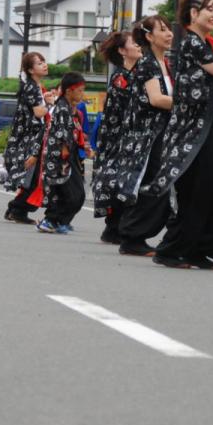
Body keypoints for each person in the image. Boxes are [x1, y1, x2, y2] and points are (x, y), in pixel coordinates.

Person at [142, 0, 213, 270]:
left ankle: (198, 249)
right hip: (193, 130)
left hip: (212, 124)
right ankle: (171, 249)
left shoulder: (208, 43)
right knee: (196, 190)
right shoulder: (191, 42)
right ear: (193, 13)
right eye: (209, 10)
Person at [116, 16, 176, 257]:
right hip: (149, 136)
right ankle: (131, 237)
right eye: (163, 30)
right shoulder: (148, 63)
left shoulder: (165, 63)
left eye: (170, 29)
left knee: (158, 185)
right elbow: (156, 99)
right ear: (149, 37)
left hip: (161, 133)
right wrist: (188, 104)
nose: (170, 33)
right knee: (150, 185)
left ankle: (135, 235)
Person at [92, 31, 142, 242]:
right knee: (118, 182)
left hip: (133, 138)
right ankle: (114, 228)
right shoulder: (120, 78)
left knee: (126, 183)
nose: (139, 45)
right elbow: (119, 115)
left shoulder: (139, 74)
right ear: (122, 51)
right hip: (118, 139)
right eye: (134, 43)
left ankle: (117, 228)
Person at [37, 72, 91, 235]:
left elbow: (75, 132)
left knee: (76, 193)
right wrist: (65, 151)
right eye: (79, 90)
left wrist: (84, 146)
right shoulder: (61, 108)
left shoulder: (71, 109)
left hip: (69, 155)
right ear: (69, 91)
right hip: (60, 157)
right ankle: (51, 220)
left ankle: (60, 220)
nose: (82, 94)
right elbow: (59, 133)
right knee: (67, 192)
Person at [3, 52, 53, 224]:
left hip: (31, 137)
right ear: (31, 70)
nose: (44, 65)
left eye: (44, 61)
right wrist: (50, 103)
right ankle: (17, 209)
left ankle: (15, 209)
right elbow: (39, 112)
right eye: (39, 63)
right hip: (29, 138)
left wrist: (45, 100)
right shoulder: (31, 87)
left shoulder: (35, 86)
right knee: (32, 177)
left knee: (31, 177)